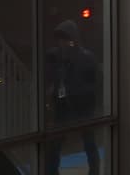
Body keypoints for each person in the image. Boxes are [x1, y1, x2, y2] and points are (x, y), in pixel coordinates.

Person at [44, 19, 100, 175]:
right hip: (63, 107)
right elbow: (51, 79)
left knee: (89, 143)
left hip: (83, 107)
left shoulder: (86, 57)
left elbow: (95, 83)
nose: (62, 43)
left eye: (66, 39)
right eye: (60, 39)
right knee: (55, 146)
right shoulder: (55, 58)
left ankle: (94, 171)